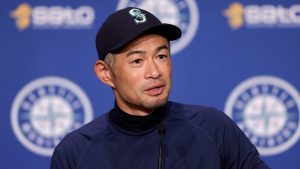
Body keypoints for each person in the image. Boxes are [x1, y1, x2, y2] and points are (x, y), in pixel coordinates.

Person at [51, 7, 270, 169]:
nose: (155, 72)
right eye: (137, 61)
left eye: (161, 56)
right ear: (105, 73)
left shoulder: (213, 128)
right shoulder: (76, 151)